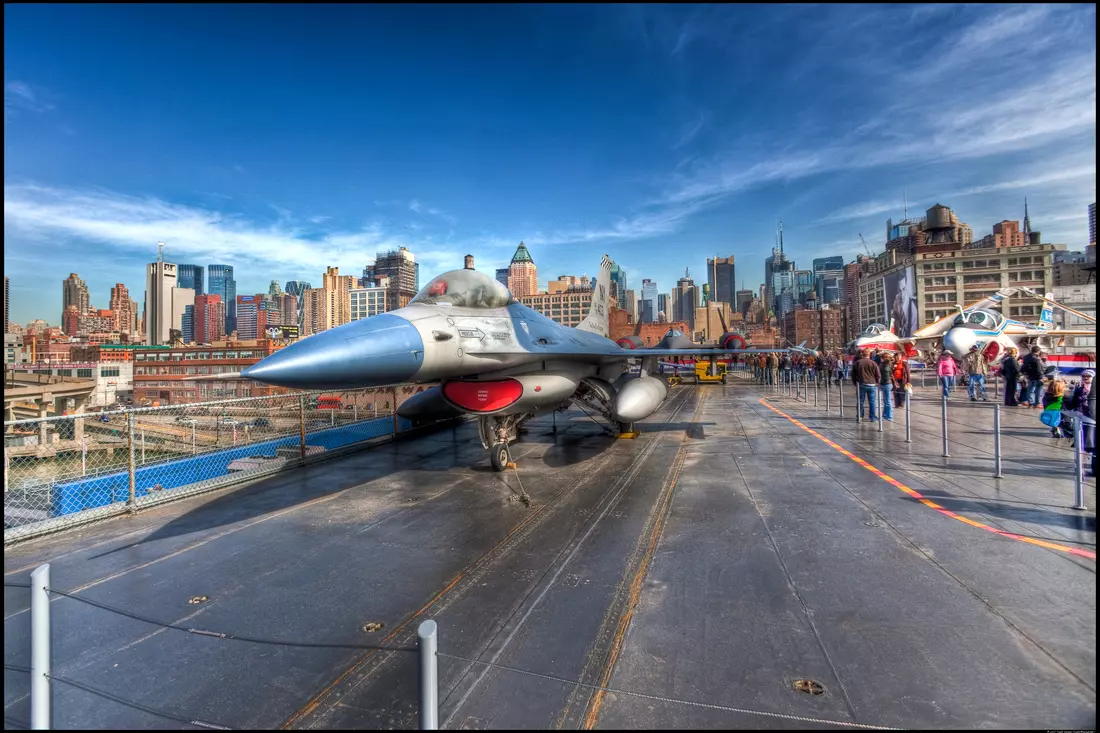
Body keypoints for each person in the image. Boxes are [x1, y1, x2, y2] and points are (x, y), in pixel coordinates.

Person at [1066, 370, 1095, 472]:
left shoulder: (1094, 388)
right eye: (1084, 377)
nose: (1086, 379)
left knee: (1091, 442)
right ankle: (1080, 467)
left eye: (1088, 377)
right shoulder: (1078, 389)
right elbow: (1072, 404)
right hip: (1081, 419)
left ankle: (1090, 463)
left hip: (1092, 419)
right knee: (1081, 443)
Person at [852, 348, 881, 421]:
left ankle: (860, 416)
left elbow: (853, 374)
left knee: (860, 401)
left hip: (861, 384)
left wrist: (855, 383)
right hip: (872, 384)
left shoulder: (858, 363)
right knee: (872, 402)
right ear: (869, 354)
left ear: (862, 354)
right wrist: (876, 382)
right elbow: (878, 375)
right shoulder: (873, 363)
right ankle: (872, 417)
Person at [878, 352, 895, 421]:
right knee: (886, 400)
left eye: (881, 358)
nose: (880, 359)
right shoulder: (887, 364)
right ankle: (885, 415)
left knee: (887, 401)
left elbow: (885, 375)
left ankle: (889, 416)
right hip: (887, 383)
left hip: (886, 383)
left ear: (883, 358)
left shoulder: (886, 365)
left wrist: (880, 382)